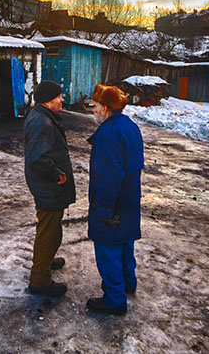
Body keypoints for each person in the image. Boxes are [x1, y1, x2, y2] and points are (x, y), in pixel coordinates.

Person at [86, 84, 144, 316]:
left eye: (96, 106)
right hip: (130, 198)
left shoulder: (109, 133)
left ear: (106, 108)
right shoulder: (129, 126)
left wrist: (104, 210)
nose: (93, 111)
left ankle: (114, 299)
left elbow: (109, 176)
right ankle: (128, 283)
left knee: (108, 248)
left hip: (114, 201)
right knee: (124, 243)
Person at [22, 80, 76, 297]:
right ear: (47, 100)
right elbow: (37, 159)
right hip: (48, 185)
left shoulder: (43, 117)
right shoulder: (41, 122)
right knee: (48, 231)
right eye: (58, 97)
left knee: (51, 228)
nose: (62, 99)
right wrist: (57, 175)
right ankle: (40, 280)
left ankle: (46, 261)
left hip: (47, 185)